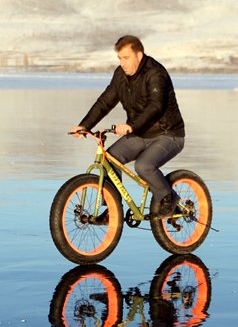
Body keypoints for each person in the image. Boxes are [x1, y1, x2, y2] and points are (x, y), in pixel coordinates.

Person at [70, 35, 186, 217]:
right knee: (110, 159)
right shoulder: (120, 75)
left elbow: (155, 106)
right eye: (119, 58)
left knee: (144, 166)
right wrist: (85, 125)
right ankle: (113, 209)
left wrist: (131, 125)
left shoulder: (156, 73)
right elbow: (105, 102)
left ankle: (168, 198)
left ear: (139, 56)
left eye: (126, 58)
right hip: (141, 133)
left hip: (168, 133)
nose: (122, 63)